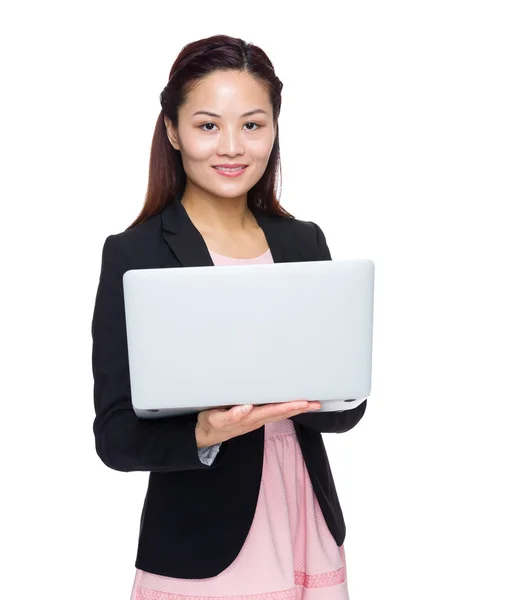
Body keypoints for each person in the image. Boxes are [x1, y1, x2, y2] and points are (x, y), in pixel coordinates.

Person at [91, 34, 367, 600]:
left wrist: (325, 394)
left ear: (273, 129)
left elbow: (347, 409)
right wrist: (202, 432)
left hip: (302, 519)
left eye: (253, 124)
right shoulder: (135, 253)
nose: (233, 147)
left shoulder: (304, 241)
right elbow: (115, 435)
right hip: (201, 538)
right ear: (173, 130)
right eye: (208, 125)